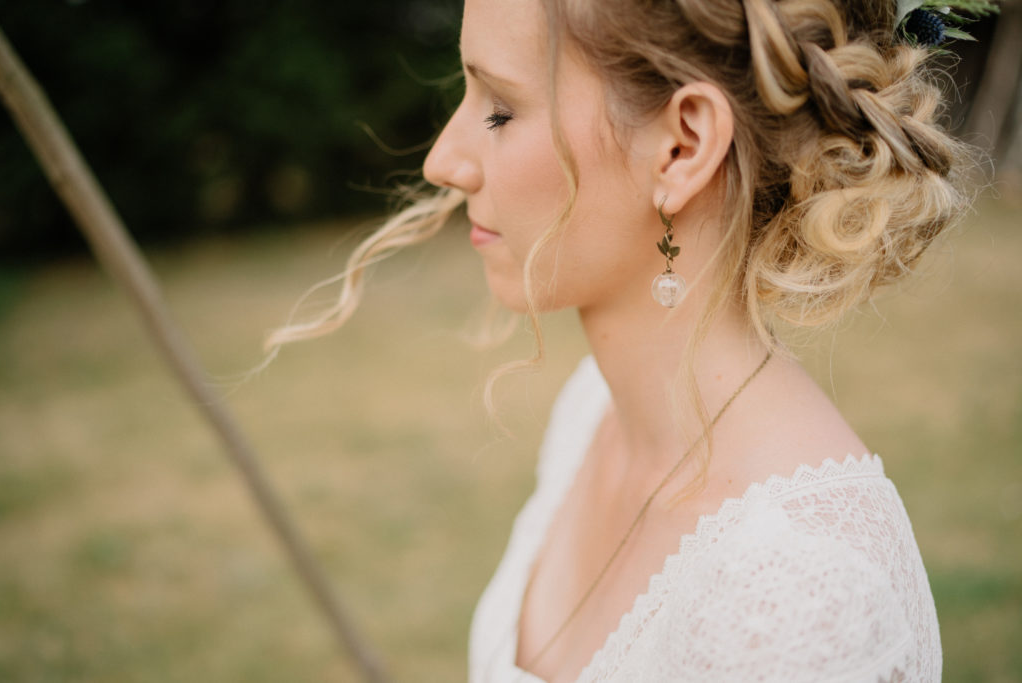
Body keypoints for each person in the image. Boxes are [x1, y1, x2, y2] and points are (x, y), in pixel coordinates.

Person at [270, 0, 977, 680]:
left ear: (681, 147)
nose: (442, 161)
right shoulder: (592, 414)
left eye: (499, 110)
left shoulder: (796, 601)